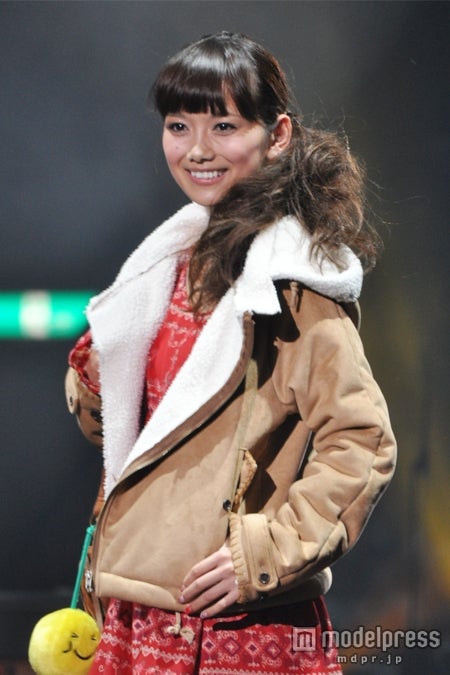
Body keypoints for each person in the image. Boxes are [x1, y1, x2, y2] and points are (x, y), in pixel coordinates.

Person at [65, 31, 396, 675]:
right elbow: (121, 434)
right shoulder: (162, 268)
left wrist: (265, 553)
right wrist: (102, 376)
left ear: (278, 135)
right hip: (132, 612)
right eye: (178, 126)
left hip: (232, 631)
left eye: (224, 126)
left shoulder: (294, 286)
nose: (197, 149)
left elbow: (363, 440)